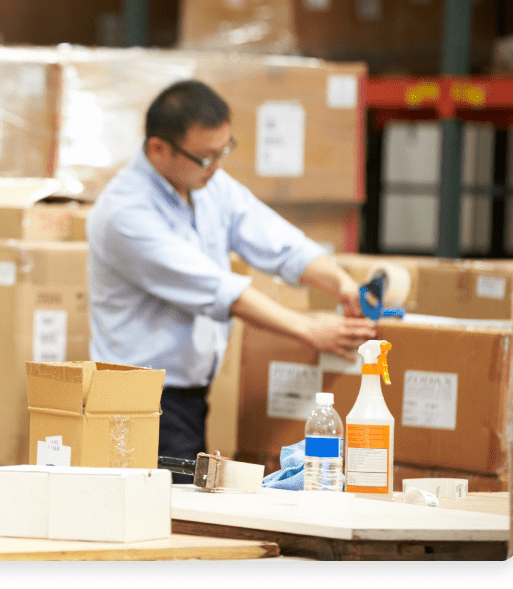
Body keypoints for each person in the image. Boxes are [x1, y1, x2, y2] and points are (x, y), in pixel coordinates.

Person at [85, 79, 376, 481]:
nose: (217, 165)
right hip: (135, 403)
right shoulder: (124, 214)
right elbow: (218, 291)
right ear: (158, 148)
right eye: (206, 156)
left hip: (185, 399)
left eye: (224, 150)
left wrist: (342, 283)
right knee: (165, 522)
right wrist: (311, 330)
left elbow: (278, 242)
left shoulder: (207, 185)